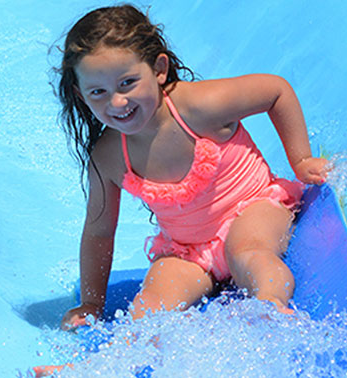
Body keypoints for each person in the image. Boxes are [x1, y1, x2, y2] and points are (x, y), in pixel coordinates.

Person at [41, 5, 328, 372]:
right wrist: (92, 304)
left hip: (251, 207)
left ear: (159, 70)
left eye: (127, 82)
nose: (116, 102)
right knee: (150, 304)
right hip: (189, 250)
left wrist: (300, 160)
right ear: (82, 96)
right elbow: (99, 231)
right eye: (98, 91)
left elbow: (276, 91)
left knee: (248, 251)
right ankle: (96, 369)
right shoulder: (109, 155)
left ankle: (271, 311)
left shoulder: (198, 107)